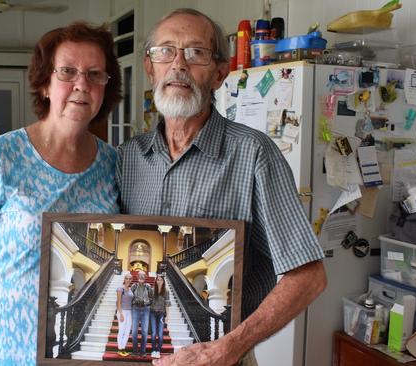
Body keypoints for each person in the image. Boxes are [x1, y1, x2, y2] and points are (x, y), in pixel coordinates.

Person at [116, 8, 326, 366]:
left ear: (219, 73)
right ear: (150, 68)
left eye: (195, 53)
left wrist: (229, 348)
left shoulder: (254, 154)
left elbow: (308, 277)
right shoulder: (126, 158)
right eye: (165, 51)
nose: (178, 64)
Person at [0, 21, 122, 366]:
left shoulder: (113, 165)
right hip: (2, 355)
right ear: (45, 84)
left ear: (104, 88)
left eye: (95, 74)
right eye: (68, 71)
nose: (81, 84)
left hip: (82, 354)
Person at [130, 270, 152, 358]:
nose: (141, 277)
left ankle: (143, 351)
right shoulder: (133, 286)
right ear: (137, 277)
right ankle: (135, 350)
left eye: (143, 276)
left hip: (146, 310)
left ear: (145, 277)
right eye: (140, 275)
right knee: (134, 332)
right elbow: (130, 298)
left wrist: (146, 303)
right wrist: (135, 302)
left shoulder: (148, 287)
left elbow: (151, 299)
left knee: (144, 332)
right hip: (135, 309)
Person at [150, 274, 170, 359]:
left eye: (161, 280)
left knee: (161, 335)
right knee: (154, 333)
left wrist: (167, 316)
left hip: (161, 314)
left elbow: (167, 305)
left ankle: (158, 351)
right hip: (153, 313)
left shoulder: (166, 291)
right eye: (158, 280)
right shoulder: (152, 290)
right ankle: (153, 350)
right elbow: (149, 302)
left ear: (163, 281)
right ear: (156, 281)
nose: (159, 281)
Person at [116, 272, 134, 357]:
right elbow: (118, 302)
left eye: (130, 279)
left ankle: (123, 348)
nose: (128, 280)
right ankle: (119, 349)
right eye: (127, 278)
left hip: (129, 312)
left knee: (127, 331)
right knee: (122, 330)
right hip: (122, 311)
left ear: (131, 280)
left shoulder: (131, 289)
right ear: (124, 279)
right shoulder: (120, 288)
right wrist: (121, 314)